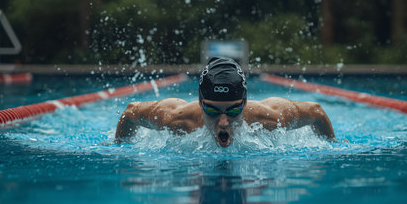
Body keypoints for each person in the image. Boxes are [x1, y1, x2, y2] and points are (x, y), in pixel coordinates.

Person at [115, 57, 335, 147]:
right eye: (211, 110)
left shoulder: (269, 118)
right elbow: (131, 112)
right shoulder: (176, 119)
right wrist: (120, 146)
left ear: (246, 102)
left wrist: (331, 145)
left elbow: (316, 112)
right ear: (200, 102)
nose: (223, 121)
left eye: (234, 110)